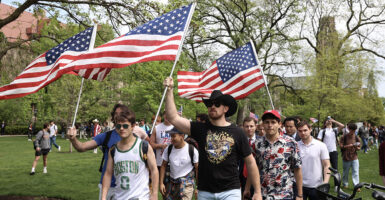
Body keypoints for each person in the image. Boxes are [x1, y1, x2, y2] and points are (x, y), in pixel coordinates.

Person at [163, 77, 262, 200]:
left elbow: (250, 161)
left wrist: (257, 191)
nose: (212, 106)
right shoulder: (200, 129)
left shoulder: (238, 132)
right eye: (210, 104)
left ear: (225, 108)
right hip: (205, 191)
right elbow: (173, 117)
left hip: (230, 191)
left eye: (217, 104)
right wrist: (169, 90)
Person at [67, 104, 149, 200]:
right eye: (116, 113)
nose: (118, 116)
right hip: (108, 186)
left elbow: (149, 148)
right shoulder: (106, 136)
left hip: (129, 187)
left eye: (121, 113)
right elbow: (81, 147)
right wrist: (73, 139)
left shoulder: (137, 134)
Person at [101, 109, 158, 200]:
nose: (122, 129)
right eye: (118, 126)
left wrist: (154, 194)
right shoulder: (113, 150)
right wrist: (103, 197)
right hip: (119, 197)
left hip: (140, 197)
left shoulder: (143, 147)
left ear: (133, 126)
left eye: (125, 126)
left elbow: (154, 170)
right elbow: (108, 174)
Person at [250, 110, 303, 200]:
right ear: (262, 124)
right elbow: (253, 168)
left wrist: (300, 195)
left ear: (279, 124)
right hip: (263, 194)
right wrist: (248, 189)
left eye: (273, 122)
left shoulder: (291, 143)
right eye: (267, 122)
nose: (270, 125)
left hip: (284, 194)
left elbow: (297, 169)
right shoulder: (257, 144)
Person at [160, 127, 199, 200]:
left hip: (187, 185)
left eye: (174, 136)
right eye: (171, 136)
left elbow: (197, 169)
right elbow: (163, 166)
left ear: (182, 136)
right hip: (171, 183)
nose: (171, 139)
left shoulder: (192, 150)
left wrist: (198, 187)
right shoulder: (168, 149)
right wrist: (161, 183)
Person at [297, 120, 330, 200]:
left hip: (316, 186)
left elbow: (327, 165)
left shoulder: (321, 145)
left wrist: (325, 183)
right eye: (300, 131)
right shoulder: (295, 145)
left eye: (305, 130)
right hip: (299, 186)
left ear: (310, 129)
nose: (303, 133)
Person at [317, 116, 344, 188]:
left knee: (335, 169)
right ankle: (324, 184)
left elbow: (342, 125)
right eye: (327, 121)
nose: (329, 121)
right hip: (325, 152)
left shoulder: (335, 130)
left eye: (330, 121)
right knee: (325, 169)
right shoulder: (322, 131)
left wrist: (334, 121)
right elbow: (318, 141)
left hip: (333, 151)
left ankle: (337, 186)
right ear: (325, 123)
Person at [239, 117, 259, 195]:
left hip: (258, 176)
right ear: (243, 127)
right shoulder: (238, 141)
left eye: (251, 126)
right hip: (242, 175)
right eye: (246, 126)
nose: (249, 128)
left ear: (256, 127)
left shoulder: (262, 141)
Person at [340, 123, 361, 190]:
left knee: (356, 172)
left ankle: (356, 186)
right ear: (349, 129)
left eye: (354, 131)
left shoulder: (356, 137)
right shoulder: (344, 137)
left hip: (354, 156)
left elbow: (359, 147)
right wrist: (348, 146)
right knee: (345, 172)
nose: (353, 132)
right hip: (346, 157)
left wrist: (357, 148)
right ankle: (345, 184)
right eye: (352, 130)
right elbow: (341, 146)